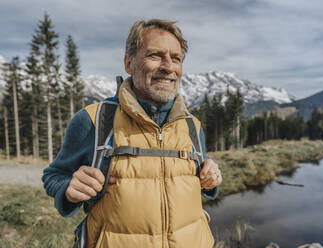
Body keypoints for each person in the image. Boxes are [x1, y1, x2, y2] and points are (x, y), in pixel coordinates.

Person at [42, 19, 222, 248]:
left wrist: (211, 180)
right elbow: (54, 176)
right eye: (155, 55)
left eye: (175, 58)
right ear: (129, 63)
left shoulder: (192, 125)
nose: (168, 66)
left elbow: (201, 180)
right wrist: (68, 187)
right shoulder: (94, 120)